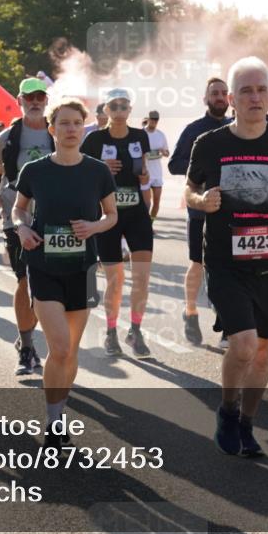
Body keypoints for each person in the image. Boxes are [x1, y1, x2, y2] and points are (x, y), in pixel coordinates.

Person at [186, 57, 268, 458]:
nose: (254, 97)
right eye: (245, 91)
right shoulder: (211, 144)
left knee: (262, 354)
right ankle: (226, 409)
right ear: (232, 100)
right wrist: (201, 201)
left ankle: (248, 424)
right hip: (225, 261)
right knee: (243, 345)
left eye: (261, 90)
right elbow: (188, 190)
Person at [13, 98, 117, 448]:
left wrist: (94, 226)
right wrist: (22, 230)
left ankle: (59, 412)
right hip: (44, 266)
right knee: (58, 345)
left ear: (84, 128)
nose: (71, 129)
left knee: (69, 350)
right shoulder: (36, 170)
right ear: (51, 129)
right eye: (64, 123)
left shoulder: (97, 171)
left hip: (83, 268)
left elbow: (112, 216)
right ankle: (53, 418)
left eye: (77, 123)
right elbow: (18, 209)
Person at [0, 77, 55, 375]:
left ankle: (35, 339)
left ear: (46, 101)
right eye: (30, 98)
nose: (35, 102)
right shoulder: (10, 135)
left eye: (40, 96)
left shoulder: (56, 131)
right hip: (17, 216)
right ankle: (27, 347)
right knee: (25, 280)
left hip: (54, 214)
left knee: (46, 283)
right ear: (20, 101)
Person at [82, 88, 155, 359]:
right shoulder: (94, 139)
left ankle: (135, 330)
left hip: (136, 214)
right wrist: (101, 167)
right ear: (106, 110)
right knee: (116, 280)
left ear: (130, 109)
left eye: (125, 105)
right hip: (107, 215)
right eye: (115, 106)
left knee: (142, 277)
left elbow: (143, 174)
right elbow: (83, 173)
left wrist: (145, 176)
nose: (120, 110)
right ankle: (111, 332)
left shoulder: (139, 136)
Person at [168, 77, 233, 346]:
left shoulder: (237, 127)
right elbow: (174, 164)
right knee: (199, 263)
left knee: (230, 267)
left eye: (223, 93)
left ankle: (229, 324)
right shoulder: (194, 129)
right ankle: (190, 311)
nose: (219, 97)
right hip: (200, 210)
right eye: (214, 93)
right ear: (205, 99)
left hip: (231, 210)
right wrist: (203, 170)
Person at [143, 110, 170, 220]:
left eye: (156, 119)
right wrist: (146, 154)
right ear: (148, 119)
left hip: (157, 173)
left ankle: (150, 224)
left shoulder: (160, 135)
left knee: (157, 201)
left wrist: (163, 152)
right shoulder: (141, 133)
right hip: (145, 173)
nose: (154, 121)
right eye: (152, 119)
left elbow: (167, 153)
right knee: (146, 203)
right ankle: (144, 224)